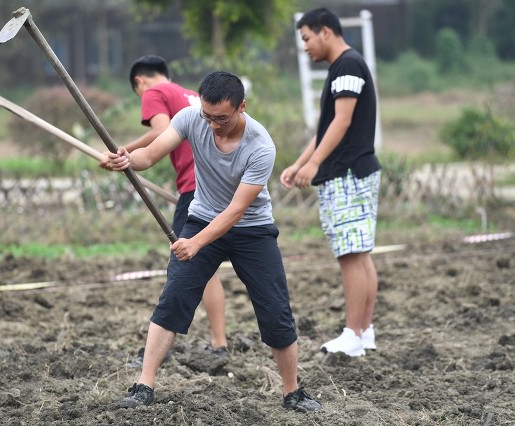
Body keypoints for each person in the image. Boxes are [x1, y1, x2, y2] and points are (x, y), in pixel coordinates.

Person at [100, 71, 321, 412]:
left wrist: (196, 243)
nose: (213, 125)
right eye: (208, 116)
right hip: (202, 217)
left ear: (241, 107)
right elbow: (151, 154)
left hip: (252, 230)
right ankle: (144, 386)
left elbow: (236, 211)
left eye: (222, 118)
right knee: (173, 296)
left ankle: (293, 392)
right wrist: (128, 159)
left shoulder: (261, 147)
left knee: (276, 309)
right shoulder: (191, 117)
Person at [280, 8, 381, 358]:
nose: (305, 47)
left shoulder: (348, 66)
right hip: (351, 171)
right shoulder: (343, 68)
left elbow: (342, 121)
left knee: (351, 255)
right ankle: (364, 331)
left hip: (347, 173)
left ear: (325, 32)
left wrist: (317, 163)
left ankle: (353, 333)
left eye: (306, 38)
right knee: (359, 254)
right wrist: (300, 163)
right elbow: (327, 128)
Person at [123, 55, 228, 365]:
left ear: (140, 82)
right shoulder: (191, 95)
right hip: (217, 186)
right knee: (204, 265)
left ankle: (159, 351)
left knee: (183, 265)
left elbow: (159, 131)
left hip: (196, 189)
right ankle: (219, 343)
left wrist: (123, 152)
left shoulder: (154, 92)